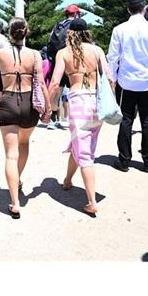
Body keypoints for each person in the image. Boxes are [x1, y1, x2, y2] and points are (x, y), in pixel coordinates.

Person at [0, 17, 49, 219]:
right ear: (26, 32)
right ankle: (18, 179)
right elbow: (41, 84)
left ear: (10, 34)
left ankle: (14, 202)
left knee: (10, 155)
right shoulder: (35, 54)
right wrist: (48, 108)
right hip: (30, 104)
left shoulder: (0, 54)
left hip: (8, 103)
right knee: (24, 142)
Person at [47, 18, 112, 215]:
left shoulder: (63, 53)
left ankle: (92, 202)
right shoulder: (97, 51)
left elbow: (55, 82)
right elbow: (110, 77)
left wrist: (48, 107)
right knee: (80, 142)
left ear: (70, 34)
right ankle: (67, 180)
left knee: (85, 152)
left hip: (78, 102)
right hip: (96, 104)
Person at [107, 0, 148, 173]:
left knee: (126, 120)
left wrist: (114, 80)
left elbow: (113, 57)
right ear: (145, 9)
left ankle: (124, 160)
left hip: (126, 83)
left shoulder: (119, 29)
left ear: (128, 10)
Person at [46, 4, 82, 128]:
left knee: (57, 89)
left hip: (57, 61)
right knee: (75, 90)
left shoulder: (57, 25)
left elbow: (50, 43)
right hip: (72, 62)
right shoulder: (77, 25)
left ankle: (52, 119)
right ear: (77, 14)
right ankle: (75, 119)